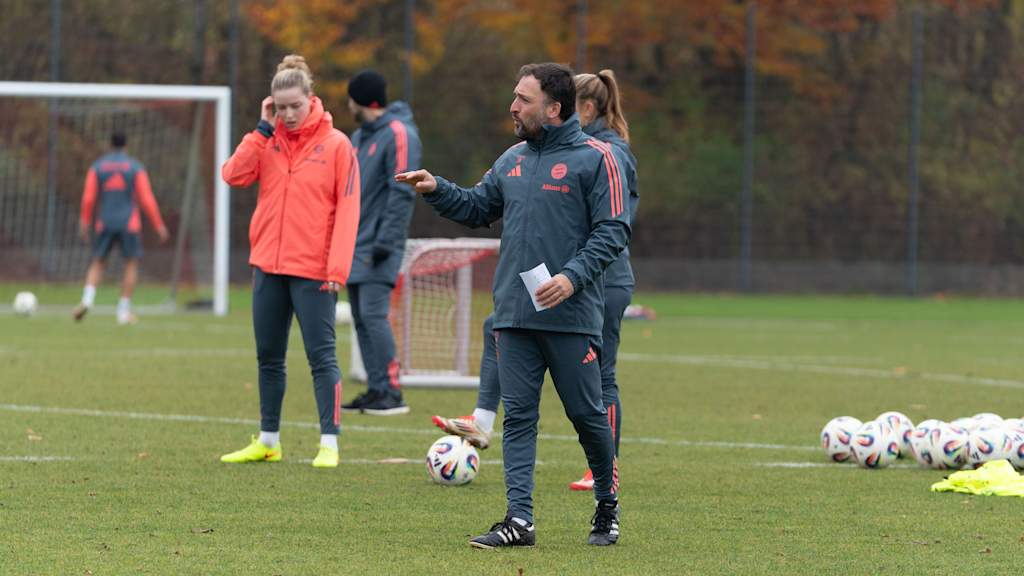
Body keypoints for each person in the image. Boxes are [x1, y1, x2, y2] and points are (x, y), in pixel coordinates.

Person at [397, 62, 628, 547]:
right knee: (519, 418)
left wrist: (571, 278)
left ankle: (607, 501)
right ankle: (519, 520)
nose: (513, 107)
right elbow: (478, 207)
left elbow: (613, 231)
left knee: (587, 416)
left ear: (554, 107)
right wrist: (437, 189)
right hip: (513, 316)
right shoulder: (512, 160)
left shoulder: (596, 158)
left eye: (523, 99)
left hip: (571, 317)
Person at [219, 55, 361, 469]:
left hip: (314, 271)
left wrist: (336, 269)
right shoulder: (268, 140)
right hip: (267, 265)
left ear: (311, 99)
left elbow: (349, 210)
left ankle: (329, 443)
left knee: (322, 358)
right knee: (269, 356)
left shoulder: (337, 146)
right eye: (279, 107)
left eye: (294, 106)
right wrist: (262, 129)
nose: (288, 114)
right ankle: (268, 440)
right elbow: (232, 174)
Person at [339, 70, 421, 416]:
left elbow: (402, 191)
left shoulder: (400, 133)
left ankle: (392, 391)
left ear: (361, 100)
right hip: (353, 245)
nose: (347, 105)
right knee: (361, 318)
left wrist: (386, 242)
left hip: (379, 247)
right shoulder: (358, 137)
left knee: (373, 316)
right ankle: (376, 390)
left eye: (350, 98)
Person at [74, 131, 169, 325]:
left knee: (98, 262)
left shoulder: (98, 167)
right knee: (130, 264)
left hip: (105, 222)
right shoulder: (135, 167)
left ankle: (87, 300)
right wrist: (158, 225)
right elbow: (146, 198)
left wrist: (84, 221)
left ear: (110, 145)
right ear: (126, 146)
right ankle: (123, 311)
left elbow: (89, 197)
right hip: (129, 223)